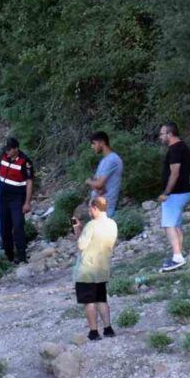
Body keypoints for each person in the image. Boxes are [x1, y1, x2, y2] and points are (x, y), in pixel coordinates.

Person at [72, 196, 118, 341]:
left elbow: (81, 245)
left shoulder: (92, 225)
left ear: (95, 208)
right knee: (101, 300)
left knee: (89, 302)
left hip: (87, 269)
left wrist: (77, 230)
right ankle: (108, 328)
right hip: (102, 267)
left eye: (91, 208)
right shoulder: (112, 224)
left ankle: (93, 331)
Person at [157, 122, 190, 272]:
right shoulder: (183, 146)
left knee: (169, 225)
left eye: (162, 134)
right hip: (183, 191)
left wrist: (166, 193)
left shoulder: (175, 149)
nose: (160, 137)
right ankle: (177, 254)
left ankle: (178, 257)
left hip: (176, 193)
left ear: (170, 134)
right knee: (176, 225)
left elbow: (175, 173)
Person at [0, 137, 34, 264]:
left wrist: (27, 202)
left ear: (16, 149)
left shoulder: (25, 162)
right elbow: (0, 168)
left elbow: (29, 182)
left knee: (18, 226)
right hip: (3, 197)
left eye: (9, 150)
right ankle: (9, 256)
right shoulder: (4, 155)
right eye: (6, 150)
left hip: (17, 198)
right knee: (4, 227)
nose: (7, 152)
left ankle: (22, 256)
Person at [84, 131, 123, 217]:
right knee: (75, 222)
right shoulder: (104, 161)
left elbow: (99, 184)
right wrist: (94, 184)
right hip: (97, 207)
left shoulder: (112, 160)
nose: (92, 146)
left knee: (76, 221)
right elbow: (99, 187)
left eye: (94, 143)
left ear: (102, 142)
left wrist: (88, 181)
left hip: (105, 209)